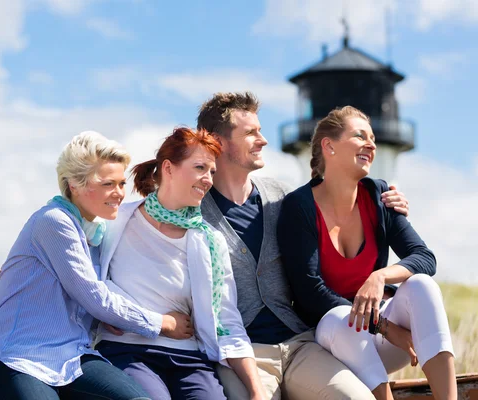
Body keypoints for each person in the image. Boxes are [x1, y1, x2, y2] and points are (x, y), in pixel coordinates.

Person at [196, 92, 410, 399]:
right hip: (241, 355)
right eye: (251, 133)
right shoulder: (194, 211)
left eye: (261, 130)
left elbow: (340, 201)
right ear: (217, 141)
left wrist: (385, 200)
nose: (263, 140)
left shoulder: (284, 198)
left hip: (300, 344)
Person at [0, 131, 192, 400]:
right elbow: (94, 296)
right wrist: (162, 323)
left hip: (74, 358)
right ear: (74, 185)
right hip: (21, 360)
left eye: (122, 183)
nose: (119, 194)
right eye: (107, 184)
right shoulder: (54, 222)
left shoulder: (99, 232)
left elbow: (109, 289)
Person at [277, 106, 456, 400]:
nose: (372, 145)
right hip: (333, 346)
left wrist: (380, 276)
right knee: (342, 317)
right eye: (360, 136)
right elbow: (311, 293)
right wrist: (385, 328)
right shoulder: (299, 207)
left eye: (373, 138)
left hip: (382, 345)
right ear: (329, 146)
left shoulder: (378, 196)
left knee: (422, 284)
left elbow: (424, 257)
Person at [95, 127, 267, 400]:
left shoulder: (211, 241)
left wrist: (257, 392)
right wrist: (119, 314)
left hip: (190, 358)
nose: (208, 179)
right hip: (127, 351)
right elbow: (89, 284)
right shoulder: (115, 223)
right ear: (168, 168)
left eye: (211, 171)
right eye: (200, 167)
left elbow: (227, 322)